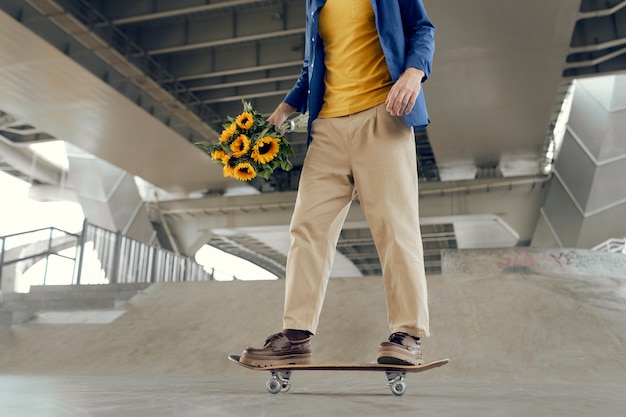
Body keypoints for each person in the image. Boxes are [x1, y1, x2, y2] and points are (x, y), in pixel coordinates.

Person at [240, 0, 435, 367]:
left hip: (383, 115)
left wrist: (413, 72)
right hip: (327, 126)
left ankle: (408, 334)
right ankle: (296, 337)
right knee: (307, 227)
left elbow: (422, 29)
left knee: (395, 226)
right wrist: (283, 112)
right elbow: (312, 66)